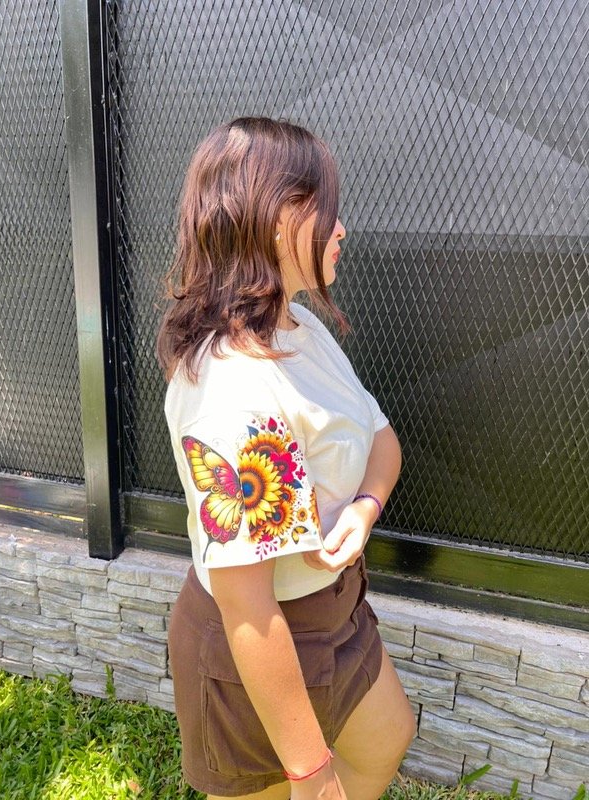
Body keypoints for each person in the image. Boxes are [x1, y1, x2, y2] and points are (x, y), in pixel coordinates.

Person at [156, 117, 416, 800]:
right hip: (260, 648)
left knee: (388, 736)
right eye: (327, 209)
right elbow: (248, 604)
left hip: (336, 612)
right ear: (278, 218)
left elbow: (380, 438)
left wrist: (364, 508)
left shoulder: (298, 331)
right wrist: (310, 771)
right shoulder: (233, 390)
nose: (342, 228)